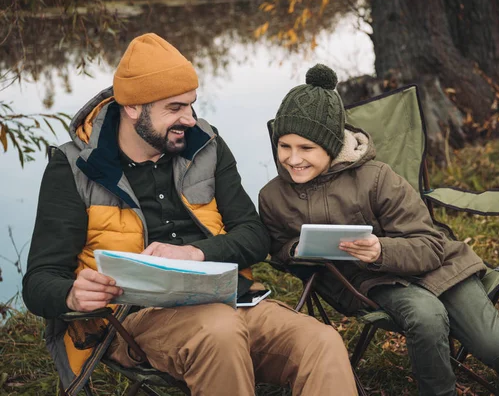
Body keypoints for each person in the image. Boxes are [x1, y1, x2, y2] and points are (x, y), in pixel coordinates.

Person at [22, 34, 358, 396]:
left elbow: (254, 235)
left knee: (320, 342)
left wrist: (195, 253)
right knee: (220, 332)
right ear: (134, 106)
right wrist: (72, 295)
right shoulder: (74, 168)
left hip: (233, 302)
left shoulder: (207, 146)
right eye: (175, 108)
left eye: (191, 105)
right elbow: (40, 281)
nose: (190, 119)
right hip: (134, 321)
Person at [258, 63, 499, 396]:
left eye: (306, 148)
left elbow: (430, 245)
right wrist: (295, 250)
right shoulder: (272, 197)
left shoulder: (375, 177)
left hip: (439, 265)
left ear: (330, 146)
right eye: (284, 146)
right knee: (426, 316)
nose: (292, 159)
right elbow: (279, 246)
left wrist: (380, 250)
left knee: (494, 343)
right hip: (371, 283)